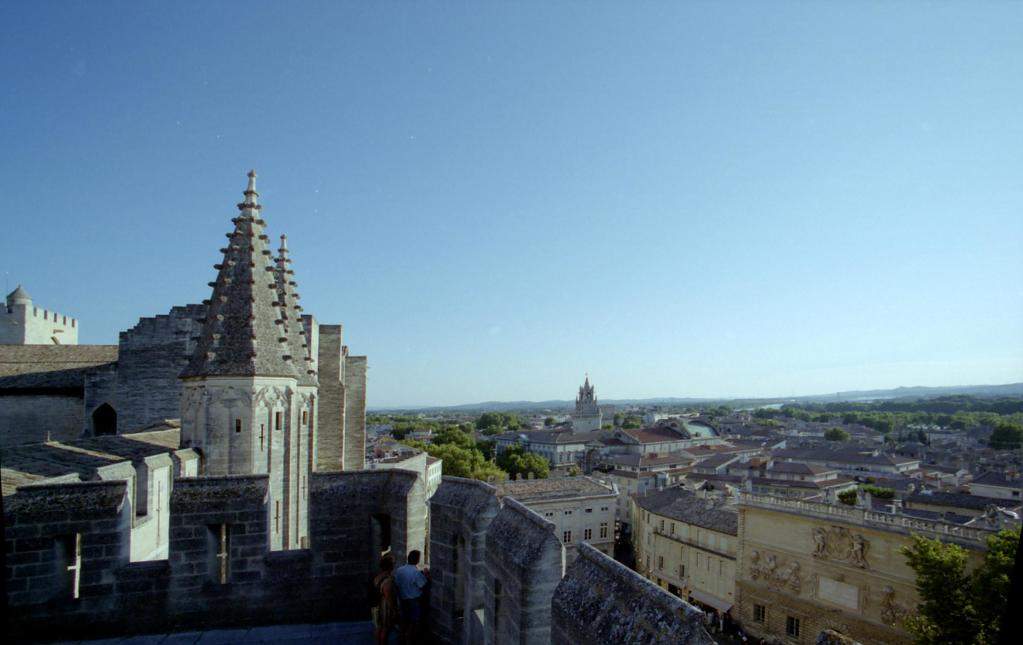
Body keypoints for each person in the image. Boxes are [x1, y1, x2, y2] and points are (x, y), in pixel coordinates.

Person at [394, 550, 429, 643]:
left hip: (403, 599)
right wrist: (425, 575)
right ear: (417, 560)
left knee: (404, 621)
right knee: (413, 623)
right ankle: (409, 641)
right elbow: (423, 585)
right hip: (414, 600)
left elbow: (396, 584)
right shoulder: (415, 572)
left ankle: (401, 640)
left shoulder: (400, 570)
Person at [370, 553, 398, 645]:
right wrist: (394, 610)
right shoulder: (388, 581)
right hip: (384, 608)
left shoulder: (378, 577)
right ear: (390, 566)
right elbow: (388, 597)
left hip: (376, 606)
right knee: (385, 629)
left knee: (378, 628)